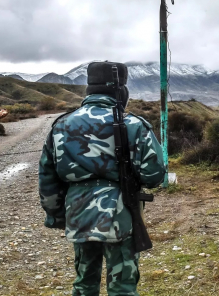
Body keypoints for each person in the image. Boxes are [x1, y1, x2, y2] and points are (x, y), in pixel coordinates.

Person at [38, 61, 166, 296]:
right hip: (122, 214)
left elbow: (48, 178)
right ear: (121, 91)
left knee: (84, 284)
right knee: (123, 288)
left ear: (89, 91)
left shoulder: (60, 125)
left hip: (78, 215)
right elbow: (155, 175)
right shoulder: (135, 125)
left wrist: (56, 217)